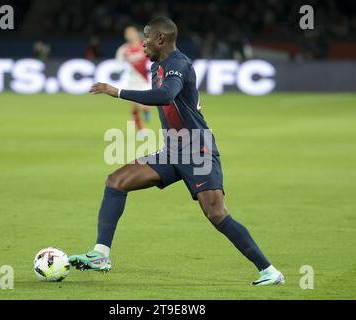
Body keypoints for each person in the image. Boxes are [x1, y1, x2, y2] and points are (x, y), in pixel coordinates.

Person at [69, 17, 285, 286]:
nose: (141, 42)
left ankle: (269, 271)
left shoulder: (178, 64)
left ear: (160, 39)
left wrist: (117, 91)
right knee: (116, 181)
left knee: (216, 213)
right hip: (173, 150)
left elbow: (165, 95)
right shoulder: (158, 65)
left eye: (146, 36)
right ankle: (101, 254)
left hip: (197, 150)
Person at [115, 25, 152, 132]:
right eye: (127, 33)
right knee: (134, 107)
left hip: (145, 80)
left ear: (136, 33)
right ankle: (141, 130)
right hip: (132, 81)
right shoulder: (123, 49)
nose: (129, 35)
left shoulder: (145, 46)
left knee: (144, 106)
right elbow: (118, 65)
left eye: (131, 33)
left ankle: (146, 111)